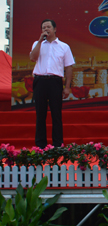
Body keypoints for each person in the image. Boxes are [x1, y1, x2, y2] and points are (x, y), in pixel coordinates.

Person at [29, 19, 75, 148]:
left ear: (55, 29)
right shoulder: (37, 44)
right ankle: (41, 145)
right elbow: (32, 58)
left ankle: (57, 144)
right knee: (40, 114)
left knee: (56, 114)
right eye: (44, 27)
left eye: (48, 27)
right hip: (40, 81)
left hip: (55, 82)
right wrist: (40, 41)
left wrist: (67, 87)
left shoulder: (64, 46)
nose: (46, 29)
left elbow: (69, 67)